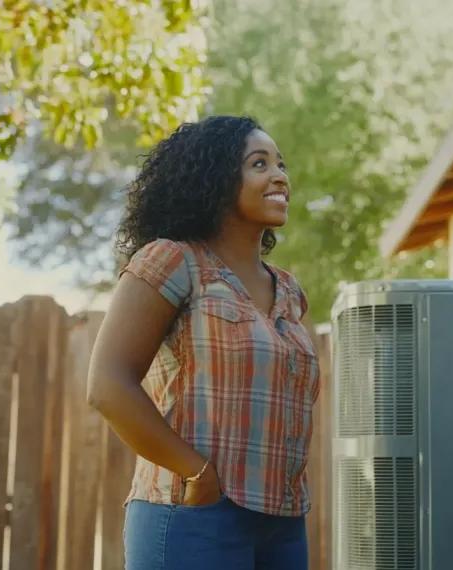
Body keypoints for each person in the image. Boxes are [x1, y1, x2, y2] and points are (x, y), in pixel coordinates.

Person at [87, 115, 319, 569]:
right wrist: (197, 473)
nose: (280, 177)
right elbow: (107, 384)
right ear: (216, 178)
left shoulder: (289, 290)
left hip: (284, 523)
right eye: (259, 164)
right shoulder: (174, 261)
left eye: (281, 165)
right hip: (197, 513)